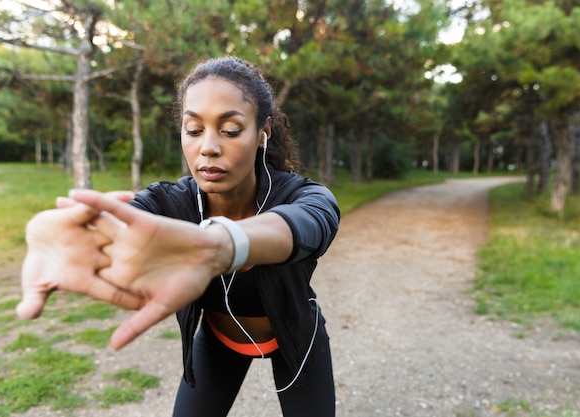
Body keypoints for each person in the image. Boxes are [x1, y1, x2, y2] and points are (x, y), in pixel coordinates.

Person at [18, 56, 340, 416]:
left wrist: (220, 244)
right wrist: (84, 236)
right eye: (194, 129)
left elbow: (304, 225)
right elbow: (130, 222)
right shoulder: (169, 202)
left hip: (298, 339)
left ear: (262, 132)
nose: (208, 147)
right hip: (219, 342)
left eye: (230, 129)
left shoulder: (303, 196)